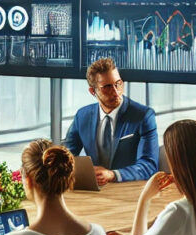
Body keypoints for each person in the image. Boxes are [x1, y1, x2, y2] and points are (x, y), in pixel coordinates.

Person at [64, 57, 158, 185]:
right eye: (107, 87)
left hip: (130, 191)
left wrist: (113, 175)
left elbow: (149, 166)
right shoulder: (82, 116)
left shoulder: (143, 116)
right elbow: (65, 156)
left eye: (118, 84)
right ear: (93, 91)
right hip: (94, 192)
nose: (115, 92)